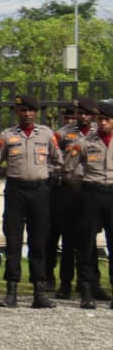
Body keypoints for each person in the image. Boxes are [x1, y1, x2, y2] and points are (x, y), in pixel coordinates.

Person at [0, 94, 61, 308]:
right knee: (13, 241)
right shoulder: (7, 135)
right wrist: (10, 172)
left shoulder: (46, 134)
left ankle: (39, 292)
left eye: (30, 110)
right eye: (23, 110)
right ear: (17, 112)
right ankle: (11, 292)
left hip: (40, 192)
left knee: (39, 241)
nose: (27, 114)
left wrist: (44, 173)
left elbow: (59, 161)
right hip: (16, 191)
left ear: (36, 112)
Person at [50, 96, 105, 300]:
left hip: (91, 192)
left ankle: (92, 284)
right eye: (79, 113)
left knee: (89, 241)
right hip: (69, 193)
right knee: (69, 240)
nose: (82, 116)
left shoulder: (97, 135)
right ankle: (65, 284)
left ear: (93, 116)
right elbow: (56, 161)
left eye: (87, 113)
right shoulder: (62, 134)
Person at [64, 101, 113, 309]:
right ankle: (86, 290)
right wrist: (82, 187)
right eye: (99, 119)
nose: (102, 123)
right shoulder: (85, 142)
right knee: (86, 243)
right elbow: (69, 167)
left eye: (106, 119)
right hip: (91, 192)